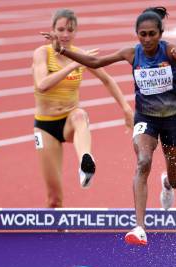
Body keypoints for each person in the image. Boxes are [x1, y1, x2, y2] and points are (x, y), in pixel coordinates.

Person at [44, 6, 176, 245]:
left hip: (172, 119)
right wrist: (64, 51)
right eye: (143, 34)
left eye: (152, 34)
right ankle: (139, 227)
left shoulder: (171, 50)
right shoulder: (132, 53)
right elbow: (96, 62)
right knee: (143, 161)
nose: (148, 39)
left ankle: (166, 184)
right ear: (137, 34)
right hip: (146, 119)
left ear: (160, 33)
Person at [34, 9, 133, 208]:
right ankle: (57, 236)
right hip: (45, 127)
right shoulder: (42, 53)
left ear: (76, 31)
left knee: (80, 114)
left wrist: (126, 108)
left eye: (70, 30)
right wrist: (72, 65)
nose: (65, 34)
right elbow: (42, 85)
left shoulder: (80, 54)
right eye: (60, 29)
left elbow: (107, 79)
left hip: (69, 120)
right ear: (52, 30)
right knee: (54, 198)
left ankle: (85, 163)